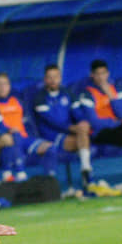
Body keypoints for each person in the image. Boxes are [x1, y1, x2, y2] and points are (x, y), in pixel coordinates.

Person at [33, 64, 112, 194]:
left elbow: (78, 112)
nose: (53, 80)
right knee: (82, 134)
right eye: (50, 77)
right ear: (45, 79)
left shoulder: (67, 93)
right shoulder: (40, 97)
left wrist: (83, 122)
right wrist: (72, 128)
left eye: (56, 77)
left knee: (83, 129)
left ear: (60, 78)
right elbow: (51, 122)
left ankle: (86, 171)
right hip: (51, 136)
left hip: (69, 133)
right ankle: (87, 176)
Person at [76, 59, 122, 191]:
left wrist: (110, 95)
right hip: (101, 133)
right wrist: (115, 122)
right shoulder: (87, 94)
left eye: (103, 73)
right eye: (97, 74)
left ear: (108, 74)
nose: (101, 77)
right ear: (92, 75)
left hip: (118, 130)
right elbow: (94, 121)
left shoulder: (116, 89)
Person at [0, 72, 59, 178]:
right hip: (6, 141)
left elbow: (27, 123)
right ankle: (20, 175)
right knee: (14, 137)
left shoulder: (17, 101)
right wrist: (6, 130)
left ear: (9, 86)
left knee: (51, 148)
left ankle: (50, 181)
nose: (2, 87)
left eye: (5, 84)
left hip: (23, 139)